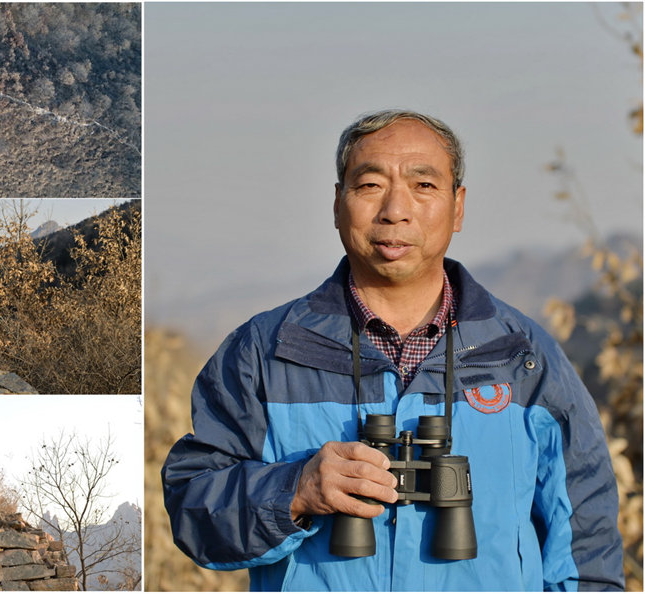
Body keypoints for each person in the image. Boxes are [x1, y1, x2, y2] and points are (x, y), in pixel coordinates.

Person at [162, 110, 624, 591]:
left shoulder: (524, 356)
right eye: (369, 186)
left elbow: (587, 550)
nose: (395, 210)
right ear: (337, 204)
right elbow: (193, 509)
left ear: (458, 206)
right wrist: (295, 490)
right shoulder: (264, 352)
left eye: (423, 186)